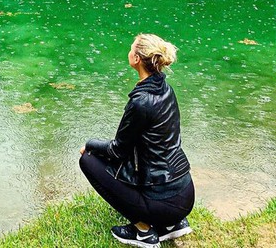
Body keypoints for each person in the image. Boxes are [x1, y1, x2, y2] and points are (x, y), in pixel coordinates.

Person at [79, 34, 195, 245]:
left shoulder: (141, 102)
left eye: (131, 49)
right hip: (186, 194)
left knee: (87, 159)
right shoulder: (166, 90)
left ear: (137, 60)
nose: (129, 52)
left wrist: (90, 144)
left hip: (165, 203)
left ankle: (144, 231)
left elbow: (117, 151)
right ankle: (172, 225)